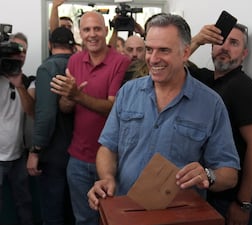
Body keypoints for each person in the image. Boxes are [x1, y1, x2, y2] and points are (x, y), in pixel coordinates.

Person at [87, 13, 240, 211]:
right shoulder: (127, 93)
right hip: (126, 211)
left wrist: (208, 176)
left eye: (164, 50)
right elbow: (107, 147)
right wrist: (107, 178)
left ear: (185, 53)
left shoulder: (211, 104)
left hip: (179, 217)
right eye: (149, 49)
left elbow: (229, 174)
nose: (153, 58)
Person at [50, 11, 131, 225]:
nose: (92, 34)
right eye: (87, 29)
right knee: (83, 220)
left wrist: (78, 95)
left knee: (114, 219)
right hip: (77, 159)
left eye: (97, 28)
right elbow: (66, 108)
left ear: (106, 31)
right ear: (80, 33)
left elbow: (112, 109)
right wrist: (69, 97)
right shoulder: (75, 60)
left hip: (113, 161)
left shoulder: (120, 62)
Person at [191, 23, 252, 225]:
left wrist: (243, 203)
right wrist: (198, 39)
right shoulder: (205, 80)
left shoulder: (244, 88)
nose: (224, 47)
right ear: (211, 47)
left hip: (233, 200)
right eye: (220, 41)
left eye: (233, 43)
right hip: (210, 193)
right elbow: (171, 61)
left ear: (244, 54)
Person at [26, 27, 76, 225]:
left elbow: (46, 114)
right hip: (78, 152)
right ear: (72, 45)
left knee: (53, 214)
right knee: (73, 212)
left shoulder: (47, 68)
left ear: (49, 45)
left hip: (54, 153)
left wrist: (36, 150)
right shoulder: (80, 65)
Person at [0, 32, 35, 225]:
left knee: (25, 203)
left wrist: (19, 85)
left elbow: (31, 111)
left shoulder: (28, 81)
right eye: (15, 50)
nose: (19, 55)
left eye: (23, 51)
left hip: (18, 156)